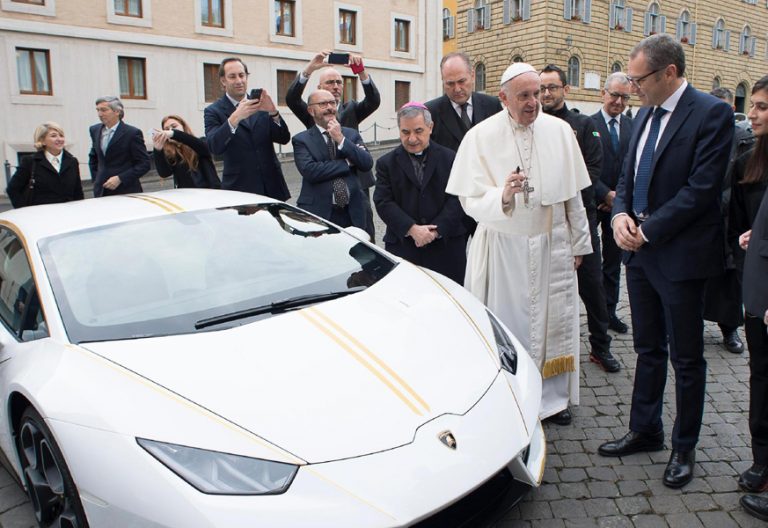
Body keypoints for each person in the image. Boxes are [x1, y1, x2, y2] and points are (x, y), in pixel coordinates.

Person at [597, 35, 734, 489]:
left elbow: (701, 189)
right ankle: (646, 429)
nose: (632, 88)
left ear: (669, 73)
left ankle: (684, 446)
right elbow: (625, 174)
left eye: (639, 80)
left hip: (679, 257)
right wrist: (618, 216)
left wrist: (647, 229)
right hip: (639, 256)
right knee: (647, 348)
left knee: (687, 357)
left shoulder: (710, 114)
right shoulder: (642, 114)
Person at [446, 62, 592, 425]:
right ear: (503, 98)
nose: (533, 103)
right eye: (524, 96)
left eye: (537, 93)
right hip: (503, 249)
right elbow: (469, 198)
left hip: (550, 246)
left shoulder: (559, 131)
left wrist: (578, 245)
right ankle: (512, 396)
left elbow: (572, 196)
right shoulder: (480, 136)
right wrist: (503, 195)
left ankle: (553, 400)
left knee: (551, 324)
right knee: (509, 325)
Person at [540, 64, 619, 382]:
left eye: (552, 87)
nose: (546, 94)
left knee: (592, 285)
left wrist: (564, 194)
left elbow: (592, 170)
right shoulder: (534, 124)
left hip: (578, 217)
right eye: (542, 88)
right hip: (543, 221)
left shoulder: (583, 125)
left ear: (565, 89)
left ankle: (600, 345)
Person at [286, 51, 379, 240]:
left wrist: (361, 72)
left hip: (356, 184)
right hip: (324, 192)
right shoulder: (311, 113)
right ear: (319, 88)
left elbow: (373, 101)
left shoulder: (351, 109)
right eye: (330, 83)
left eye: (339, 82)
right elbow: (292, 99)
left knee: (364, 235)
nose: (335, 86)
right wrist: (310, 68)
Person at [729, 75, 768, 521]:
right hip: (757, 287)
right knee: (761, 377)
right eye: (752, 105)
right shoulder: (750, 158)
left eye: (760, 107)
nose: (751, 113)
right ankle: (762, 459)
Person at [373, 102, 467, 284]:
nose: (412, 139)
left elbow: (458, 198)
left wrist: (436, 230)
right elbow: (383, 202)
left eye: (418, 131)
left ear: (430, 127)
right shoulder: (386, 163)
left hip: (446, 246)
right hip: (405, 246)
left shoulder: (450, 158)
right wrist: (412, 229)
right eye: (405, 132)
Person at [427, 52, 503, 242]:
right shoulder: (430, 112)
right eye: (450, 84)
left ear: (472, 75)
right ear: (442, 81)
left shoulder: (493, 106)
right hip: (450, 203)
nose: (457, 88)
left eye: (462, 81)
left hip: (487, 198)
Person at [703, 87, 756, 354]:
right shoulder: (702, 135)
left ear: (732, 109)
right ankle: (691, 323)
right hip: (703, 220)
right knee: (700, 276)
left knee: (730, 279)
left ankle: (730, 328)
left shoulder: (745, 138)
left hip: (731, 218)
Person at [204, 57, 291, 200]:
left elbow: (284, 138)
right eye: (232, 76)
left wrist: (273, 113)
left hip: (273, 187)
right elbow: (215, 146)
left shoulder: (261, 103)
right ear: (223, 81)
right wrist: (234, 118)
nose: (239, 81)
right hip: (240, 190)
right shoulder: (213, 111)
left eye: (241, 75)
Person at [591, 73, 635, 334]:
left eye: (625, 97)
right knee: (591, 265)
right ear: (603, 94)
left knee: (613, 264)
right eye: (614, 95)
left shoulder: (632, 126)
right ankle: (595, 314)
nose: (618, 101)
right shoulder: (589, 124)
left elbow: (632, 166)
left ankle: (610, 313)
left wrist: (617, 198)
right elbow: (584, 166)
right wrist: (604, 194)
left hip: (618, 207)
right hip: (593, 205)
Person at [292, 90, 373, 229]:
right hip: (319, 211)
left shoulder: (351, 135)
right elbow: (311, 171)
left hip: (353, 211)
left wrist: (341, 139)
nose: (330, 107)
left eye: (332, 103)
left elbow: (366, 163)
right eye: (323, 104)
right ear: (311, 111)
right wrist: (347, 162)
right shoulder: (301, 140)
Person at [7, 122, 84, 207]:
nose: (59, 139)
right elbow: (12, 189)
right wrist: (24, 211)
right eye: (53, 136)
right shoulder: (30, 162)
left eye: (61, 135)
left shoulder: (72, 161)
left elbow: (78, 192)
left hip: (67, 214)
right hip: (40, 215)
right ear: (42, 141)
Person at [88, 96, 150, 197]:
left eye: (104, 110)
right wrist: (96, 179)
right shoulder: (94, 130)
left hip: (126, 191)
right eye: (98, 110)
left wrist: (120, 178)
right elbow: (93, 157)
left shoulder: (132, 133)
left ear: (117, 111)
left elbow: (144, 164)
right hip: (101, 191)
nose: (99, 114)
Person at [152, 115, 220, 189]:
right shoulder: (170, 152)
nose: (170, 130)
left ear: (183, 126)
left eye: (174, 126)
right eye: (166, 129)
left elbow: (203, 148)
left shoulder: (199, 142)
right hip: (185, 195)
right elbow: (164, 173)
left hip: (209, 192)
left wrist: (174, 134)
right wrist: (158, 150)